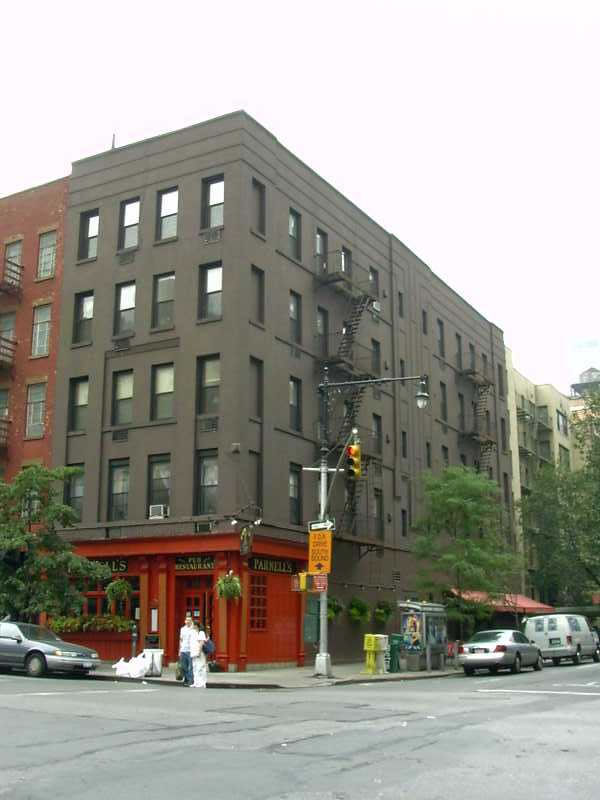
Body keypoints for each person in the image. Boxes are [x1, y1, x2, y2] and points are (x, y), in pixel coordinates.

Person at [179, 613, 195, 686]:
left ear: (191, 621)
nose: (188, 621)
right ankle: (187, 678)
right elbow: (181, 640)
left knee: (191, 667)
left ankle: (190, 680)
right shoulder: (182, 629)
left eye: (189, 620)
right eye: (187, 620)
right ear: (185, 621)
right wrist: (179, 650)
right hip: (183, 649)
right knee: (183, 666)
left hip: (191, 650)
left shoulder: (193, 629)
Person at [190, 622, 208, 688]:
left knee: (200, 667)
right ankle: (196, 682)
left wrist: (199, 652)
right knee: (195, 668)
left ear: (196, 626)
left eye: (192, 624)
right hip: (193, 652)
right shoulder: (193, 633)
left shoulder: (201, 633)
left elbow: (201, 643)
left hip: (199, 653)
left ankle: (202, 683)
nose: (191, 626)